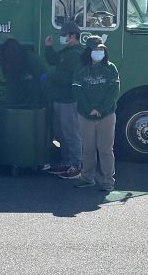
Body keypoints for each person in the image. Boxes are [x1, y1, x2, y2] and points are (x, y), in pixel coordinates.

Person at [71, 36, 120, 191]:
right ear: (88, 51)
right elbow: (77, 90)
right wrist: (88, 109)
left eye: (101, 49)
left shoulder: (111, 68)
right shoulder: (80, 68)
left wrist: (101, 109)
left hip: (106, 115)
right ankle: (87, 178)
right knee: (88, 149)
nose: (99, 52)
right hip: (85, 115)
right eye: (95, 49)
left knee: (106, 149)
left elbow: (114, 91)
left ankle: (108, 182)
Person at [43, 21, 84, 179]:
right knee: (61, 132)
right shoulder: (67, 51)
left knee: (71, 133)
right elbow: (54, 60)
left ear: (72, 36)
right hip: (60, 98)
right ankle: (67, 162)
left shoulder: (76, 54)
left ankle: (76, 165)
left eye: (63, 35)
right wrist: (48, 47)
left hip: (69, 99)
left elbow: (66, 77)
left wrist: (48, 75)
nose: (62, 38)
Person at [0, 38, 47, 106]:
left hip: (34, 103)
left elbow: (45, 75)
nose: (7, 65)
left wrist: (38, 81)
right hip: (17, 101)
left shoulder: (33, 61)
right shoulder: (8, 61)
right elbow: (11, 89)